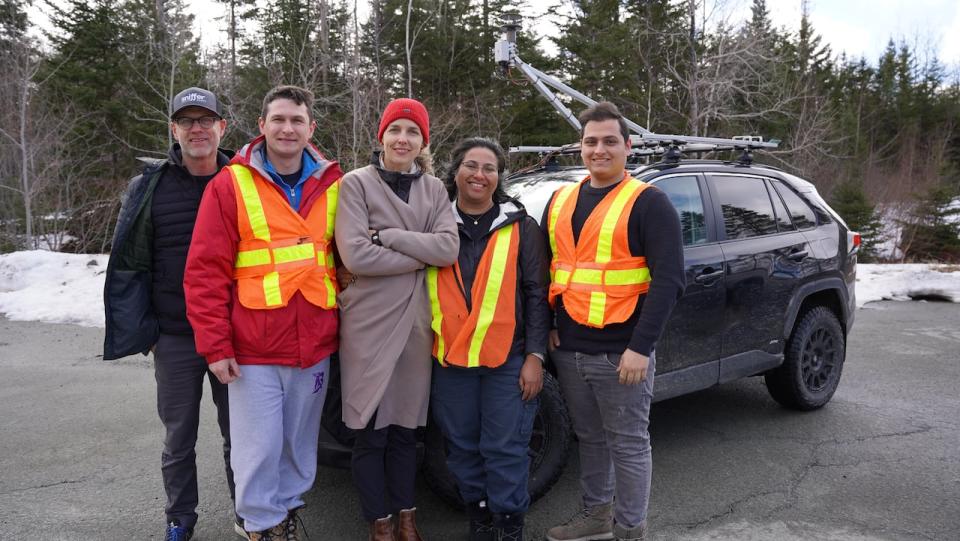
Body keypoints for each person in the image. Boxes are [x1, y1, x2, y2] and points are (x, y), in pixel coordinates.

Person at [183, 85, 342, 541]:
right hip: (254, 346)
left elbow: (344, 259)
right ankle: (260, 527)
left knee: (298, 447)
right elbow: (204, 273)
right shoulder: (230, 184)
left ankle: (285, 517)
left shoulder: (333, 182)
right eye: (279, 120)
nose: (287, 128)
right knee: (258, 449)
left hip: (313, 342)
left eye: (296, 121)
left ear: (311, 128)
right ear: (262, 127)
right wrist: (215, 347)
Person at [542, 102, 685, 541]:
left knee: (627, 444)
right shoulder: (561, 199)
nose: (598, 149)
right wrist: (551, 323)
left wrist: (641, 348)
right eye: (590, 141)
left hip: (621, 352)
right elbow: (552, 268)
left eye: (609, 141)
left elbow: (669, 281)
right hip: (569, 348)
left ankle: (629, 530)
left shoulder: (649, 203)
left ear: (628, 146)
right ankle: (596, 516)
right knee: (591, 438)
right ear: (580, 147)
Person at [103, 86, 235, 541]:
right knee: (179, 438)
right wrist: (149, 332)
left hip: (232, 334)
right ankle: (180, 518)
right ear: (173, 130)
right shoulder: (149, 187)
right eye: (187, 121)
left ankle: (248, 512)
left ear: (222, 127)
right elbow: (131, 262)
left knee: (239, 434)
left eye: (205, 120)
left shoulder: (245, 182)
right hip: (176, 335)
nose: (197, 129)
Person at [335, 98, 459, 541]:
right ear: (381, 136)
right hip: (367, 324)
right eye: (396, 130)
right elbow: (356, 255)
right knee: (370, 430)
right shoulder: (355, 185)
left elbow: (448, 249)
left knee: (407, 429)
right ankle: (380, 522)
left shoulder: (435, 190)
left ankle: (407, 515)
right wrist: (421, 255)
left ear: (423, 141)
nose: (403, 139)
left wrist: (388, 236)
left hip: (416, 322)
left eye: (412, 132)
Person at [428, 138, 550, 541]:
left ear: (499, 177)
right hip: (450, 362)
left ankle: (509, 526)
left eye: (489, 168)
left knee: (505, 450)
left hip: (508, 361)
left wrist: (535, 356)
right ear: (456, 172)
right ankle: (479, 522)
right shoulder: (433, 223)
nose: (479, 174)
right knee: (462, 449)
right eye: (471, 166)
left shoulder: (522, 226)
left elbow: (536, 293)